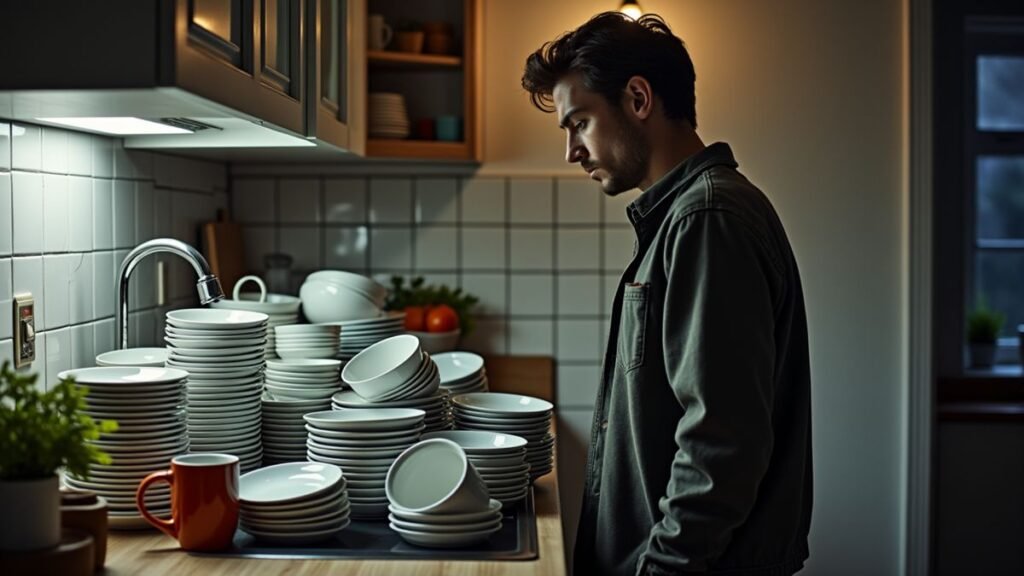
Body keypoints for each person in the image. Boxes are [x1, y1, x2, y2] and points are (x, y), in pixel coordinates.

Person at [522, 12, 813, 576]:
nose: (571, 151)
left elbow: (719, 449)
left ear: (638, 98)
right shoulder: (688, 216)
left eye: (579, 123)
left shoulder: (708, 218)